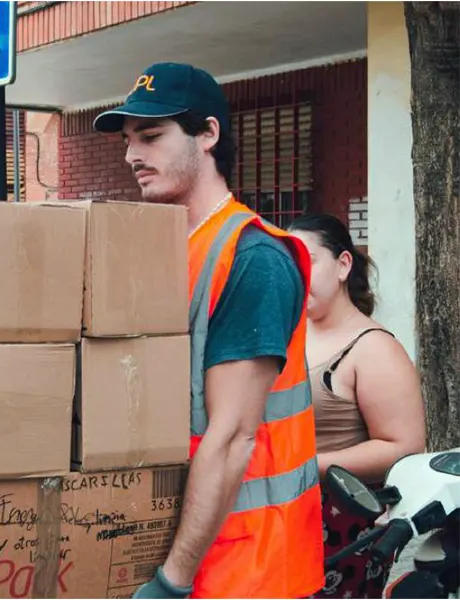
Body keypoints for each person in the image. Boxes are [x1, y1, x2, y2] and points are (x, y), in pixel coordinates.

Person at [93, 62, 324, 599]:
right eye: (129, 141)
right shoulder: (176, 248)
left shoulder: (254, 255)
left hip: (249, 570)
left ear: (209, 134)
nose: (132, 156)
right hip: (190, 555)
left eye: (151, 137)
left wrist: (172, 582)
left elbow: (233, 436)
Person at [288, 213, 426, 598]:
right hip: (277, 519)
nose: (296, 273)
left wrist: (307, 465)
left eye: (308, 260)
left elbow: (405, 445)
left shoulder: (374, 348)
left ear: (343, 265)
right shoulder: (286, 333)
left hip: (338, 530)